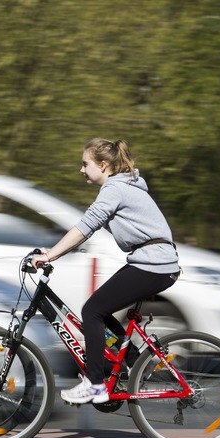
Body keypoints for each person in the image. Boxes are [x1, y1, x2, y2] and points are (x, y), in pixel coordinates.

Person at [30, 138, 180, 404]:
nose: (81, 169)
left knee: (92, 311)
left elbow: (86, 227)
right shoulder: (123, 186)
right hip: (152, 263)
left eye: (84, 163)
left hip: (153, 264)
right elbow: (87, 230)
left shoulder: (114, 189)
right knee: (99, 308)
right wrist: (56, 250)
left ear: (103, 165)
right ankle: (134, 362)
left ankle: (95, 384)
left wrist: (51, 254)